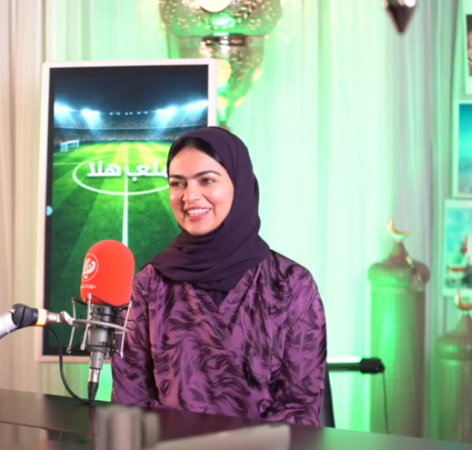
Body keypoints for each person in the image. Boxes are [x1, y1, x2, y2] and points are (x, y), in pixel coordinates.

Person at [111, 127, 327, 426]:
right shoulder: (151, 283)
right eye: (177, 183)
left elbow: (299, 406)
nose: (189, 196)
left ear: (240, 184)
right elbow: (130, 398)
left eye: (207, 180)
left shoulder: (291, 283)